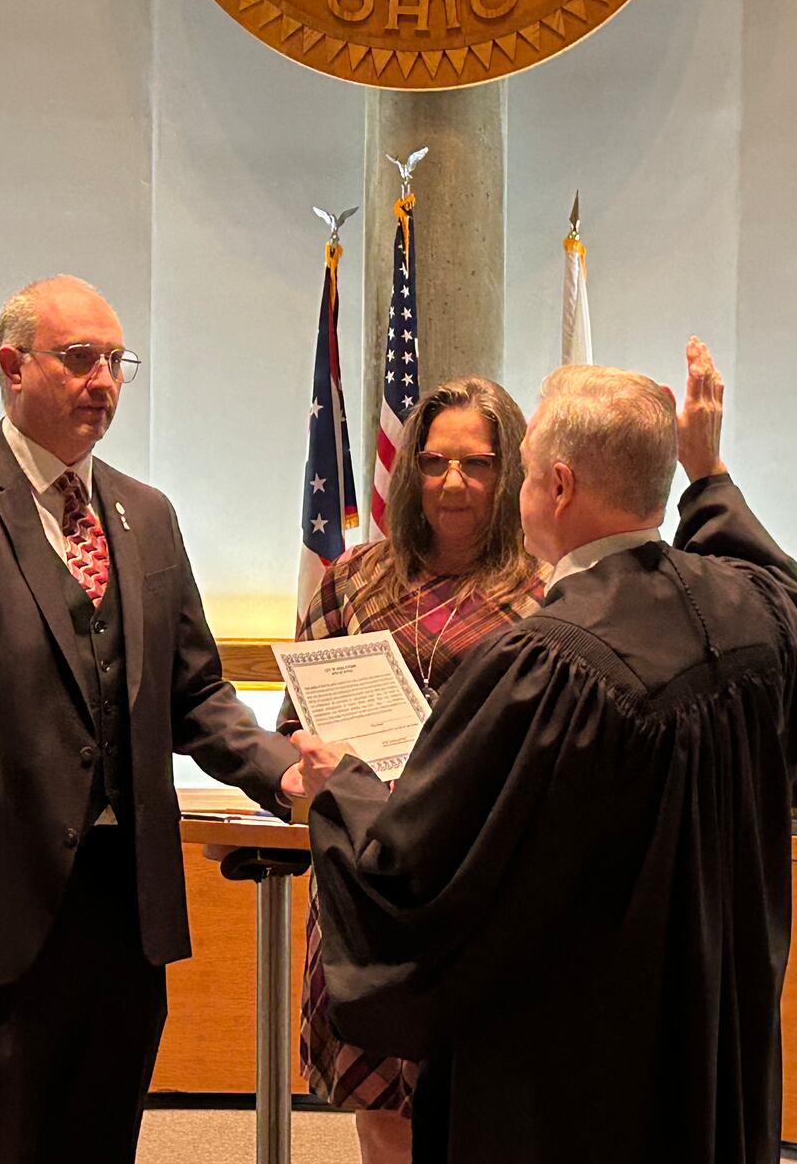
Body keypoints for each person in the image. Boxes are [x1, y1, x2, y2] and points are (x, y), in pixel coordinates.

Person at [293, 341, 797, 1163]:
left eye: (515, 471)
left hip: (579, 1049)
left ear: (557, 486)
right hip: (709, 1015)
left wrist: (339, 786)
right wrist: (709, 475)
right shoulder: (754, 618)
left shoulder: (547, 665)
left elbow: (419, 863)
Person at [0, 275, 302, 1163]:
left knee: (99, 1142)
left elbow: (195, 693)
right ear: (11, 365)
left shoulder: (146, 514)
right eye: (80, 359)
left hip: (125, 907)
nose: (102, 380)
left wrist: (285, 772)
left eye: (116, 362)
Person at [280, 377, 550, 1164]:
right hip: (366, 876)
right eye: (433, 463)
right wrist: (310, 757)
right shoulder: (353, 578)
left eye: (477, 463)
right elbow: (297, 718)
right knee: (382, 1108)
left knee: (476, 1104)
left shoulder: (545, 589)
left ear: (512, 473)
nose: (453, 483)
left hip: (477, 886)